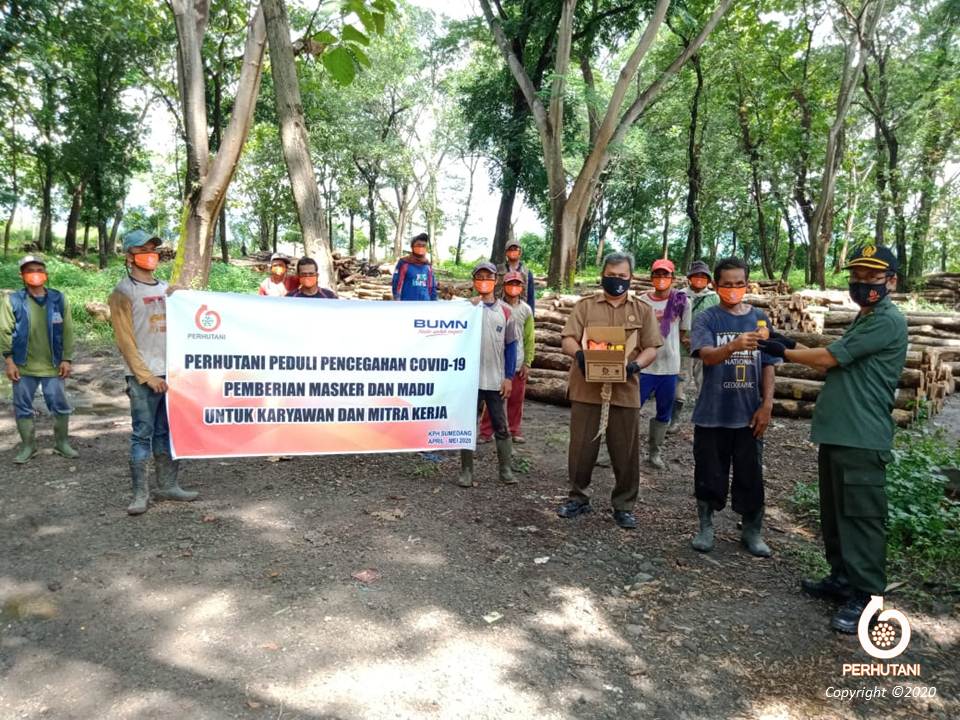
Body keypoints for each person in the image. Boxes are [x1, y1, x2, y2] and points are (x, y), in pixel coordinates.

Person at [758, 245, 907, 633]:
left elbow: (830, 359)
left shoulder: (887, 320)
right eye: (857, 276)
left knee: (861, 518)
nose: (863, 284)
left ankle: (867, 596)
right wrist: (785, 340)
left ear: (892, 280)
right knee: (836, 514)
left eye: (873, 277)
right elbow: (832, 352)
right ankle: (842, 578)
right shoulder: (865, 318)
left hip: (862, 436)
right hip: (841, 433)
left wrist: (785, 350)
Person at [556, 252, 661, 529]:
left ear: (631, 278)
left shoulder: (642, 310)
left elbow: (651, 347)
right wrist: (579, 355)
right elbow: (567, 338)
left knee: (625, 451)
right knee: (581, 450)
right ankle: (578, 497)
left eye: (622, 276)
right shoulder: (585, 306)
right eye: (611, 275)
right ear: (603, 274)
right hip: (586, 389)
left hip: (625, 390)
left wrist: (635, 367)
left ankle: (624, 505)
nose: (616, 280)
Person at [689, 257, 780, 558]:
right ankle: (706, 526)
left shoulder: (759, 319)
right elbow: (707, 356)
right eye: (727, 284)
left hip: (748, 415)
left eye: (739, 283)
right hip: (712, 413)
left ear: (747, 284)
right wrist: (733, 346)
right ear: (716, 286)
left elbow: (769, 365)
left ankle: (752, 530)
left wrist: (767, 405)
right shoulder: (707, 319)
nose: (733, 289)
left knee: (750, 476)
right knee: (709, 473)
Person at [109, 230, 198, 515]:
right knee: (142, 434)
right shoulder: (124, 292)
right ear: (130, 256)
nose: (151, 254)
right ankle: (140, 494)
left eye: (153, 249)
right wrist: (147, 376)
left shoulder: (165, 289)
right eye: (144, 250)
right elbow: (125, 341)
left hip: (171, 375)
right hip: (143, 378)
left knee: (167, 431)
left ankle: (169, 484)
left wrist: (181, 297)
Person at [1, 255, 79, 463]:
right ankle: (29, 446)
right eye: (29, 270)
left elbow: (68, 331)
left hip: (53, 366)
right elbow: (4, 331)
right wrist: (9, 361)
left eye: (38, 269)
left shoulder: (58, 298)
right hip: (23, 366)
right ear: (22, 275)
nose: (35, 273)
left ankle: (62, 444)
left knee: (60, 405)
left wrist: (67, 359)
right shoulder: (13, 300)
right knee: (22, 407)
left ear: (45, 274)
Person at [459, 262, 518, 488]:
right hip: (469, 380)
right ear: (474, 281)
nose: (484, 280)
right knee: (467, 425)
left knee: (500, 425)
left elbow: (511, 346)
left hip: (495, 379)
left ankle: (505, 470)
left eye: (488, 276)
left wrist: (509, 377)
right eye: (479, 276)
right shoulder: (467, 308)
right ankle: (466, 471)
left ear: (496, 280)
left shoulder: (506, 311)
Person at [638, 258, 690, 468]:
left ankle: (654, 452)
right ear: (651, 278)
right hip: (643, 365)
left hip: (669, 364)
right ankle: (617, 450)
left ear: (673, 278)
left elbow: (684, 332)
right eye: (657, 275)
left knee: (664, 411)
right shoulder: (641, 301)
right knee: (631, 408)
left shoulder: (682, 301)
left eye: (665, 275)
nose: (661, 279)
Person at [478, 270, 534, 444]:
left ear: (522, 287)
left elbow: (529, 337)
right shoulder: (496, 306)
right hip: (497, 361)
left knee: (516, 399)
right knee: (492, 399)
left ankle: (514, 430)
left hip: (517, 360)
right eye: (511, 284)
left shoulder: (526, 310)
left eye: (517, 284)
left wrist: (528, 362)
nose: (514, 287)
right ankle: (486, 431)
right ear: (504, 286)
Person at [673, 260, 719, 430]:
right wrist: (683, 338)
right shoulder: (679, 296)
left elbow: (717, 322)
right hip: (681, 347)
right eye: (696, 276)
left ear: (708, 279)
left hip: (705, 348)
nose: (699, 279)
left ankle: (703, 419)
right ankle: (674, 420)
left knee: (704, 382)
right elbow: (672, 320)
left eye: (703, 276)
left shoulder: (714, 298)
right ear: (689, 278)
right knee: (679, 384)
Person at [392, 233, 438, 301]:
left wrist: (434, 300)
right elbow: (396, 283)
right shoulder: (404, 262)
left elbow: (432, 285)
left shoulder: (428, 265)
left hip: (425, 303)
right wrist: (396, 298)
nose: (421, 248)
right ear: (412, 247)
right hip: (407, 303)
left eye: (423, 246)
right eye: (418, 245)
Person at [497, 238, 536, 314]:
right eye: (510, 249)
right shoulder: (498, 270)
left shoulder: (527, 273)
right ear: (506, 252)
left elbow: (531, 297)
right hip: (500, 310)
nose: (513, 251)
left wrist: (531, 315)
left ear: (520, 252)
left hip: (520, 311)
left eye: (515, 249)